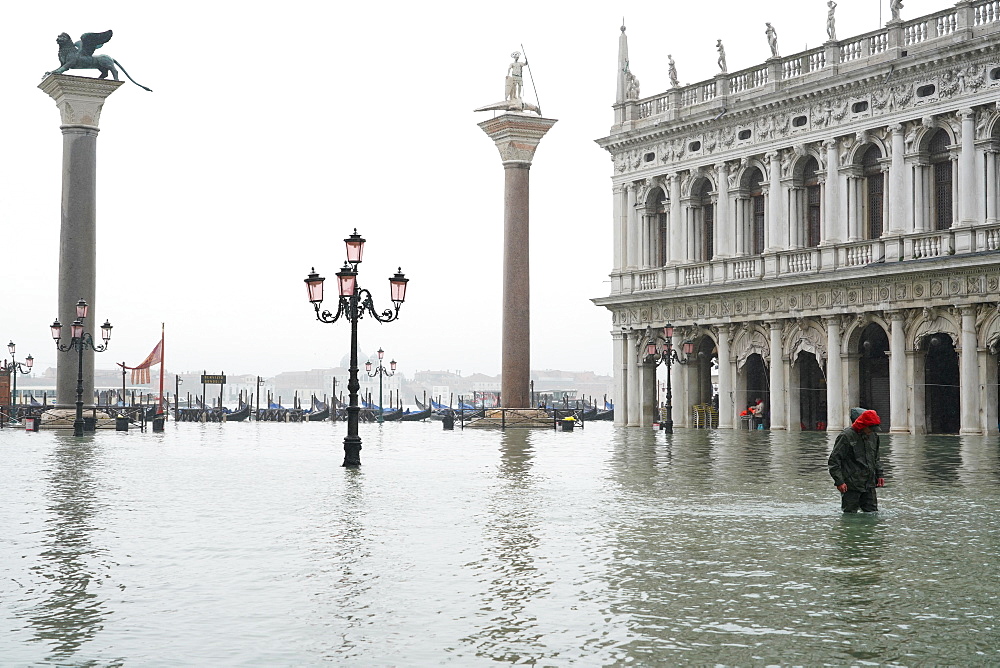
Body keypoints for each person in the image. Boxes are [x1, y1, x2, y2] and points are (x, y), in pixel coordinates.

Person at [828, 407, 885, 513]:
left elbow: (876, 457)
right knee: (850, 513)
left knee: (872, 512)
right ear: (863, 425)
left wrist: (879, 474)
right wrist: (839, 481)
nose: (872, 431)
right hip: (851, 485)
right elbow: (834, 461)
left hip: (869, 484)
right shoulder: (846, 436)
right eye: (870, 428)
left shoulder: (874, 436)